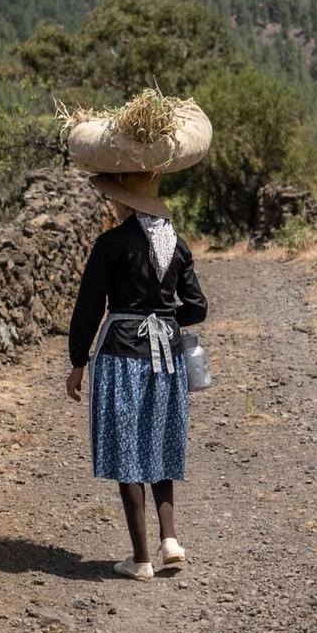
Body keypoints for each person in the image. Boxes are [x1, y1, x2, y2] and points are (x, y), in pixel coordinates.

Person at [65, 170, 208, 581]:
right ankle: (170, 539)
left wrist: (78, 360)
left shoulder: (111, 243)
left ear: (123, 201)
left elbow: (90, 305)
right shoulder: (176, 245)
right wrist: (164, 317)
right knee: (160, 438)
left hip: (120, 354)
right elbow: (197, 307)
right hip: (167, 357)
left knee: (128, 447)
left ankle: (141, 559)